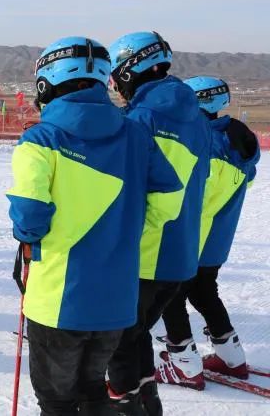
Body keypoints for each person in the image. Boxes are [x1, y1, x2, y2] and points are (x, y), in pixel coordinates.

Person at [6, 37, 181, 416]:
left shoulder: (40, 140)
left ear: (46, 82)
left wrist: (31, 239)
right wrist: (127, 231)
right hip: (116, 299)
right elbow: (169, 197)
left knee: (57, 401)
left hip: (57, 299)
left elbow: (29, 216)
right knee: (93, 390)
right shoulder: (135, 132)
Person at [105, 32, 212, 415]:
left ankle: (126, 408)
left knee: (118, 343)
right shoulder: (195, 116)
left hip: (146, 253)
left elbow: (130, 189)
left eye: (116, 78)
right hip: (181, 253)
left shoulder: (142, 118)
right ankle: (148, 406)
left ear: (130, 71)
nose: (115, 88)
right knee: (134, 339)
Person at [157, 76, 260, 388]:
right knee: (203, 291)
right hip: (216, 239)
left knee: (170, 297)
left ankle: (184, 364)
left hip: (188, 238)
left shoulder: (203, 142)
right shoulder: (238, 136)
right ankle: (232, 357)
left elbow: (194, 194)